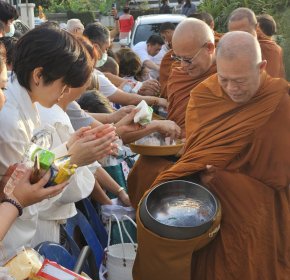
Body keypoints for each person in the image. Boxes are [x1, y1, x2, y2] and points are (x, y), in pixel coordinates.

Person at [133, 31, 290, 280]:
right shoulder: (205, 96)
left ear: (262, 67)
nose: (231, 89)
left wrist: (225, 179)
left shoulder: (279, 105)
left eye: (240, 81)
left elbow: (282, 178)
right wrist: (196, 173)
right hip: (209, 214)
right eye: (225, 79)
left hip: (257, 220)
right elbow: (195, 154)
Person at [0, 25, 109, 262]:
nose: (66, 93)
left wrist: (68, 148)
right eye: (64, 84)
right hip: (8, 242)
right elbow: (22, 194)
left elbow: (32, 164)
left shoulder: (29, 105)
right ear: (38, 75)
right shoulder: (11, 122)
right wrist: (73, 159)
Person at [127, 18, 216, 208]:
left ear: (209, 48)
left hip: (205, 160)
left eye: (188, 60)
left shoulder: (226, 76)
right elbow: (172, 108)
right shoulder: (179, 72)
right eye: (178, 58)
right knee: (141, 175)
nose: (182, 66)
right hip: (171, 147)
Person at [84, 23, 167, 107]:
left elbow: (106, 76)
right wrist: (157, 100)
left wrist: (137, 85)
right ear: (95, 47)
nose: (107, 53)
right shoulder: (89, 75)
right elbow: (128, 99)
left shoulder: (87, 69)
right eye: (106, 48)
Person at [228, 7, 285, 78]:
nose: (239, 39)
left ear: (256, 28)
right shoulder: (226, 47)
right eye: (233, 35)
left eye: (245, 33)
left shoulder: (270, 49)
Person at [159, 22, 176, 98]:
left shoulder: (178, 45)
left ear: (167, 32)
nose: (165, 41)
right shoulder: (169, 47)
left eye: (164, 37)